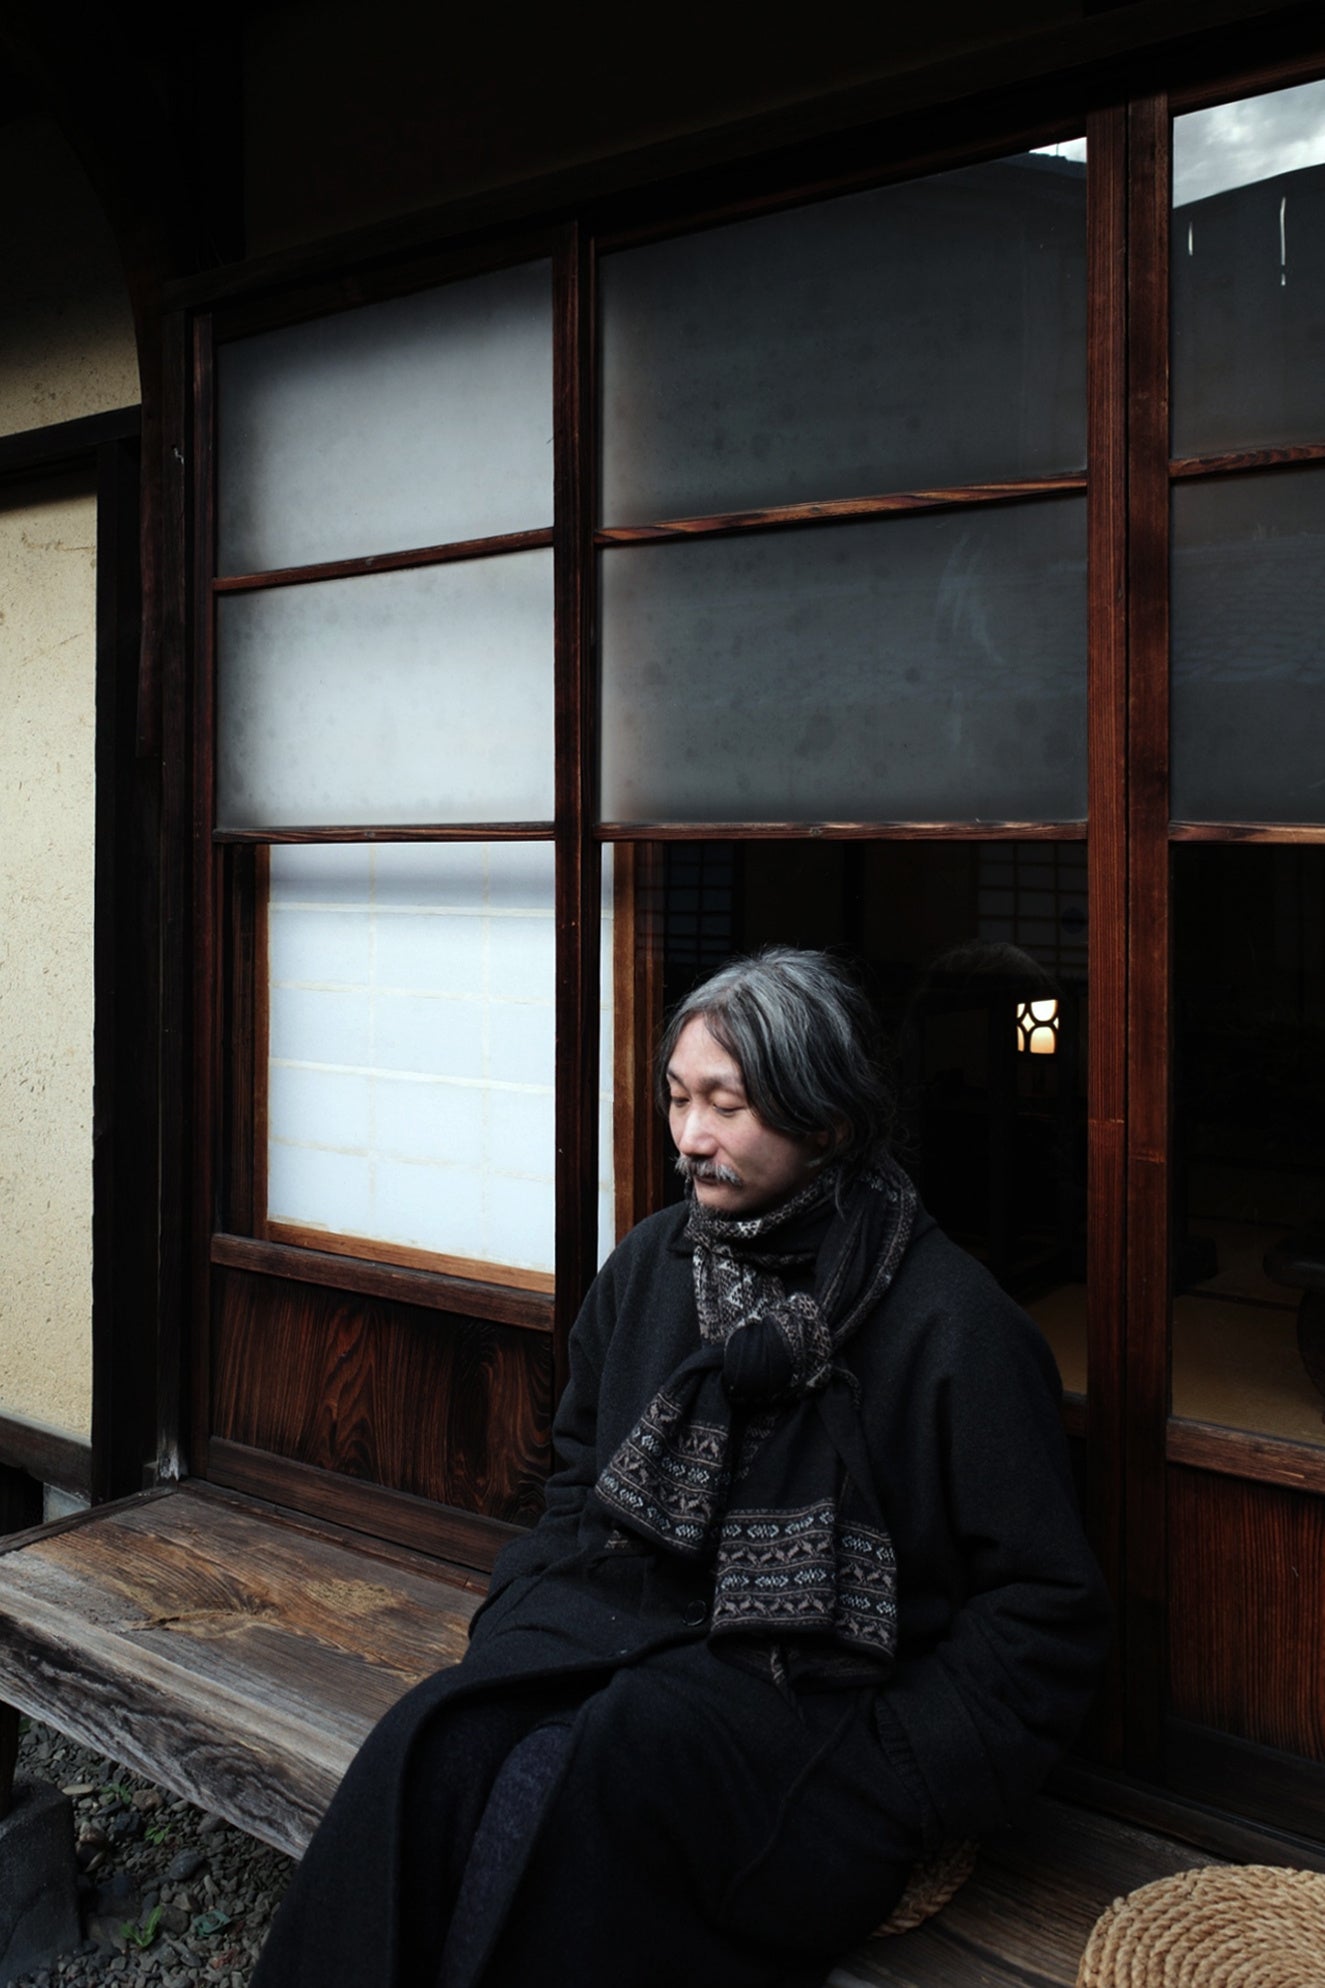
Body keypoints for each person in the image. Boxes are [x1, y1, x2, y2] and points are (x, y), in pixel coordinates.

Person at [252, 946, 1110, 1988]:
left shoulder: (953, 1324)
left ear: (827, 1121)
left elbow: (1043, 1610)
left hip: (816, 1695)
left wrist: (903, 1761)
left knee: (593, 1782)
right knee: (433, 1746)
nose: (690, 1136)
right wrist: (521, 1610)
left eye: (725, 1105)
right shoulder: (650, 1266)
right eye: (676, 1098)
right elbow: (575, 1477)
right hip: (609, 1621)